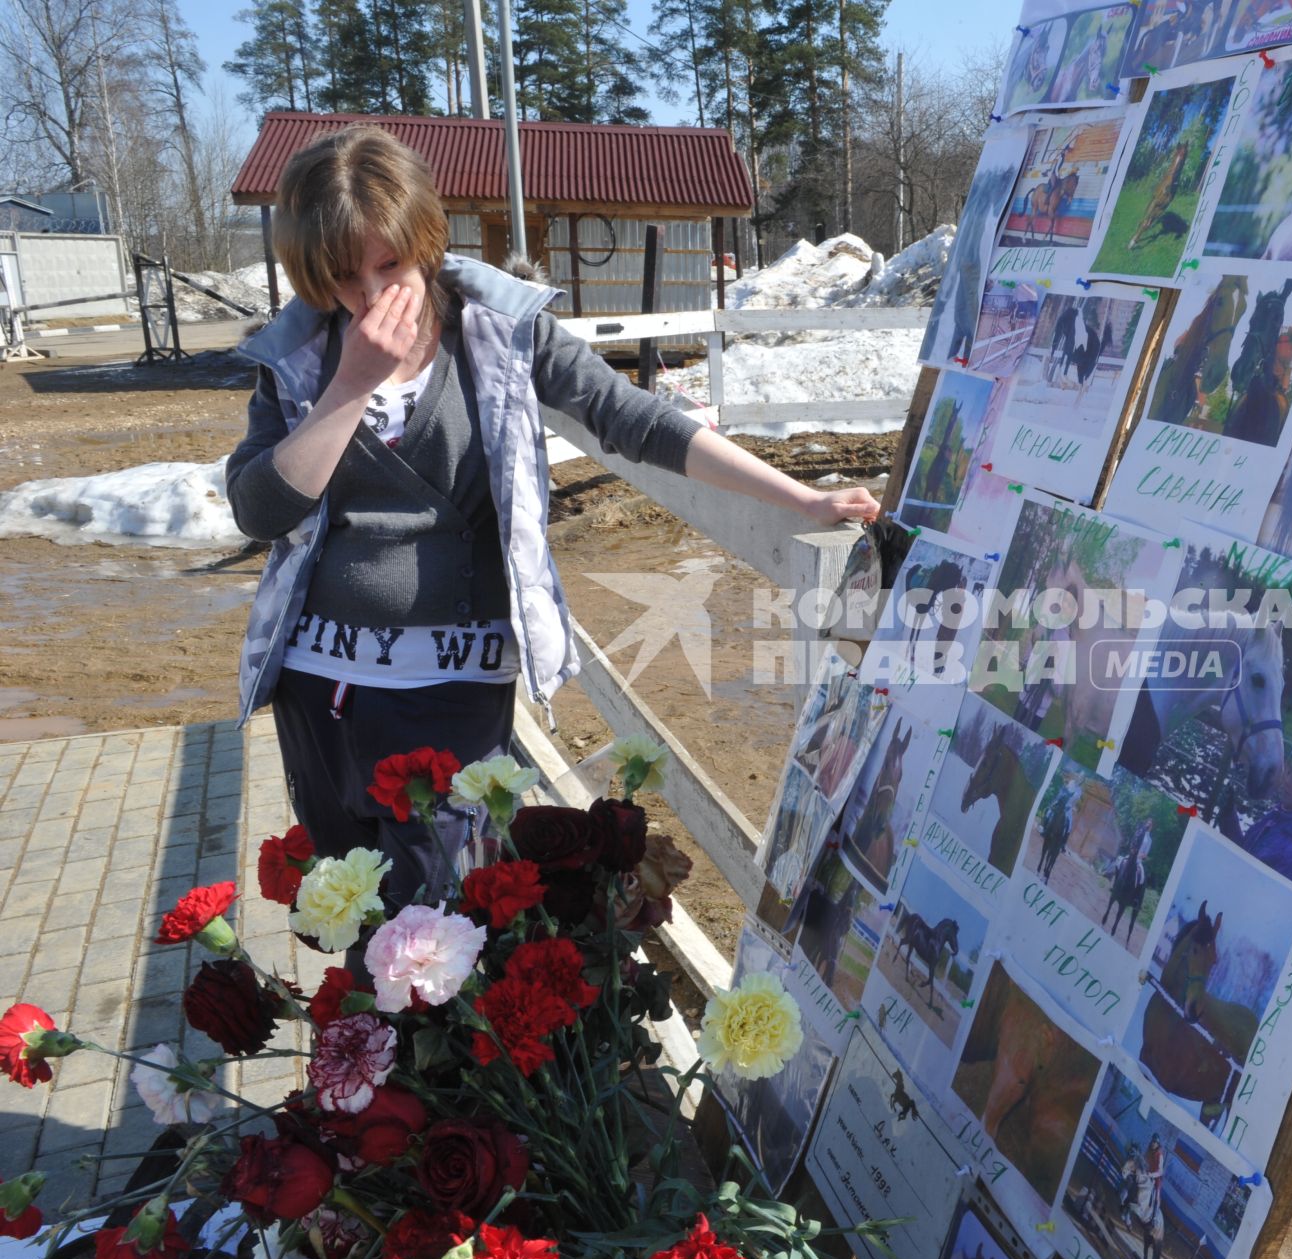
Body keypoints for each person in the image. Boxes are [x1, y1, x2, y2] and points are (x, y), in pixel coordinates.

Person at [227, 126, 879, 914]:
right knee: (355, 937)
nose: (370, 296)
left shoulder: (498, 328)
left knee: (450, 935)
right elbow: (260, 508)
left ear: (425, 240)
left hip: (452, 690)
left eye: (388, 263)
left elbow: (629, 416)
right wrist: (349, 386)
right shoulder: (298, 360)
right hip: (322, 695)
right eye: (340, 276)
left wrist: (803, 499)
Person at [1225, 738, 1292, 887]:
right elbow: (1244, 858)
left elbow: (1248, 893)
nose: (1288, 780)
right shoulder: (1280, 817)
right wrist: (1227, 816)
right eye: (1289, 771)